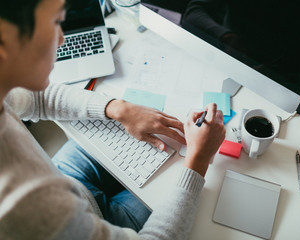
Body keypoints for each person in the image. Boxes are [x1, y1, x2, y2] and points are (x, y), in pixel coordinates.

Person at [0, 0, 225, 239]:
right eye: (55, 22)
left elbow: (38, 99)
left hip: (65, 179)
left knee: (140, 150)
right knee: (182, 183)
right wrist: (198, 162)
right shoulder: (23, 207)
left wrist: (118, 108)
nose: (62, 39)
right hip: (95, 219)